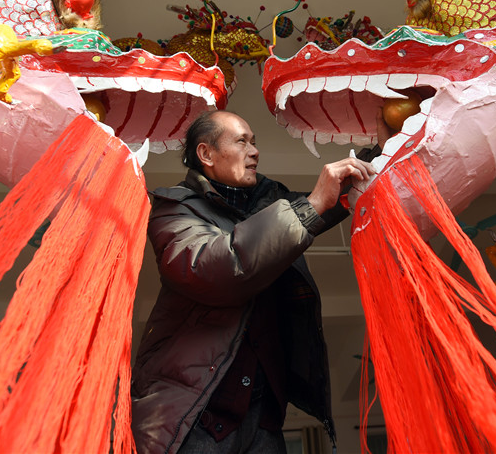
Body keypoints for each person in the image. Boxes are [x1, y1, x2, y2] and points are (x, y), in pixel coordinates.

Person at [131, 110, 382, 454]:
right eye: (241, 141)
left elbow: (319, 208)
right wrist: (310, 205)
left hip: (264, 420)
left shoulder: (267, 202)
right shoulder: (173, 209)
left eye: (255, 142)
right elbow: (215, 267)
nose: (254, 151)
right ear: (206, 154)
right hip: (192, 417)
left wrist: (381, 149)